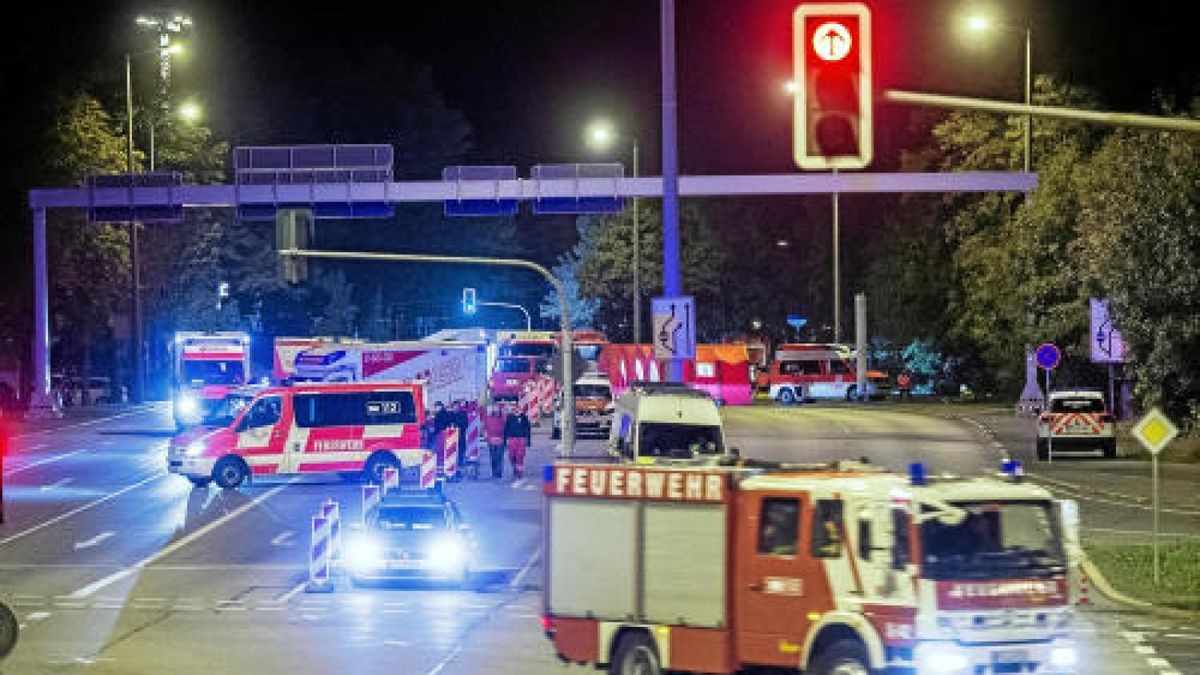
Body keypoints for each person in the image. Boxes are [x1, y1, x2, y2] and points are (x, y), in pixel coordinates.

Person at [504, 405, 532, 479]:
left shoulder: (524, 417)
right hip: (512, 439)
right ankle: (515, 468)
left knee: (520, 456)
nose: (516, 411)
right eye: (514, 409)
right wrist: (505, 440)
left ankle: (519, 472)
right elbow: (506, 429)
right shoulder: (509, 417)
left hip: (521, 439)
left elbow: (528, 429)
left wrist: (528, 441)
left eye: (518, 409)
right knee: (511, 456)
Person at [484, 404, 507, 479]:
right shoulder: (487, 418)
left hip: (500, 440)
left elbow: (505, 427)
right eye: (494, 409)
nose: (495, 411)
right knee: (493, 457)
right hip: (491, 440)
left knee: (499, 457)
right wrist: (486, 437)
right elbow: (485, 428)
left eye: (497, 409)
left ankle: (498, 472)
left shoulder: (502, 418)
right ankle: (494, 472)